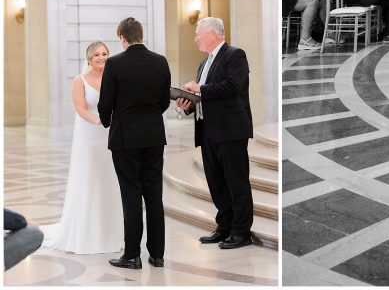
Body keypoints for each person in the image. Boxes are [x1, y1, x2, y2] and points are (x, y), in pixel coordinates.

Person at [97, 17, 171, 270]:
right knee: (154, 195)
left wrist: (108, 122)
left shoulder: (115, 64)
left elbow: (105, 102)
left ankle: (132, 255)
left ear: (122, 37)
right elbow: (164, 101)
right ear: (140, 35)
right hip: (153, 137)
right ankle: (158, 254)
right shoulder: (160, 61)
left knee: (131, 196)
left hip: (125, 138)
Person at [175, 18, 255, 250]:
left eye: (198, 34)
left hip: (231, 130)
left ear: (212, 33)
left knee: (236, 182)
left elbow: (233, 86)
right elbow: (204, 97)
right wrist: (186, 102)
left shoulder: (235, 55)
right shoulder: (203, 63)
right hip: (207, 129)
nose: (196, 38)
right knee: (216, 183)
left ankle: (241, 232)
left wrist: (199, 89)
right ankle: (224, 227)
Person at [43, 41, 123, 254]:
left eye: (105, 53)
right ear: (89, 57)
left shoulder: (113, 77)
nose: (101, 57)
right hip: (90, 137)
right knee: (90, 180)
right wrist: (98, 121)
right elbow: (80, 108)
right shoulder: (80, 80)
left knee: (109, 181)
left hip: (111, 136)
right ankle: (86, 234)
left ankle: (109, 232)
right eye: (97, 54)